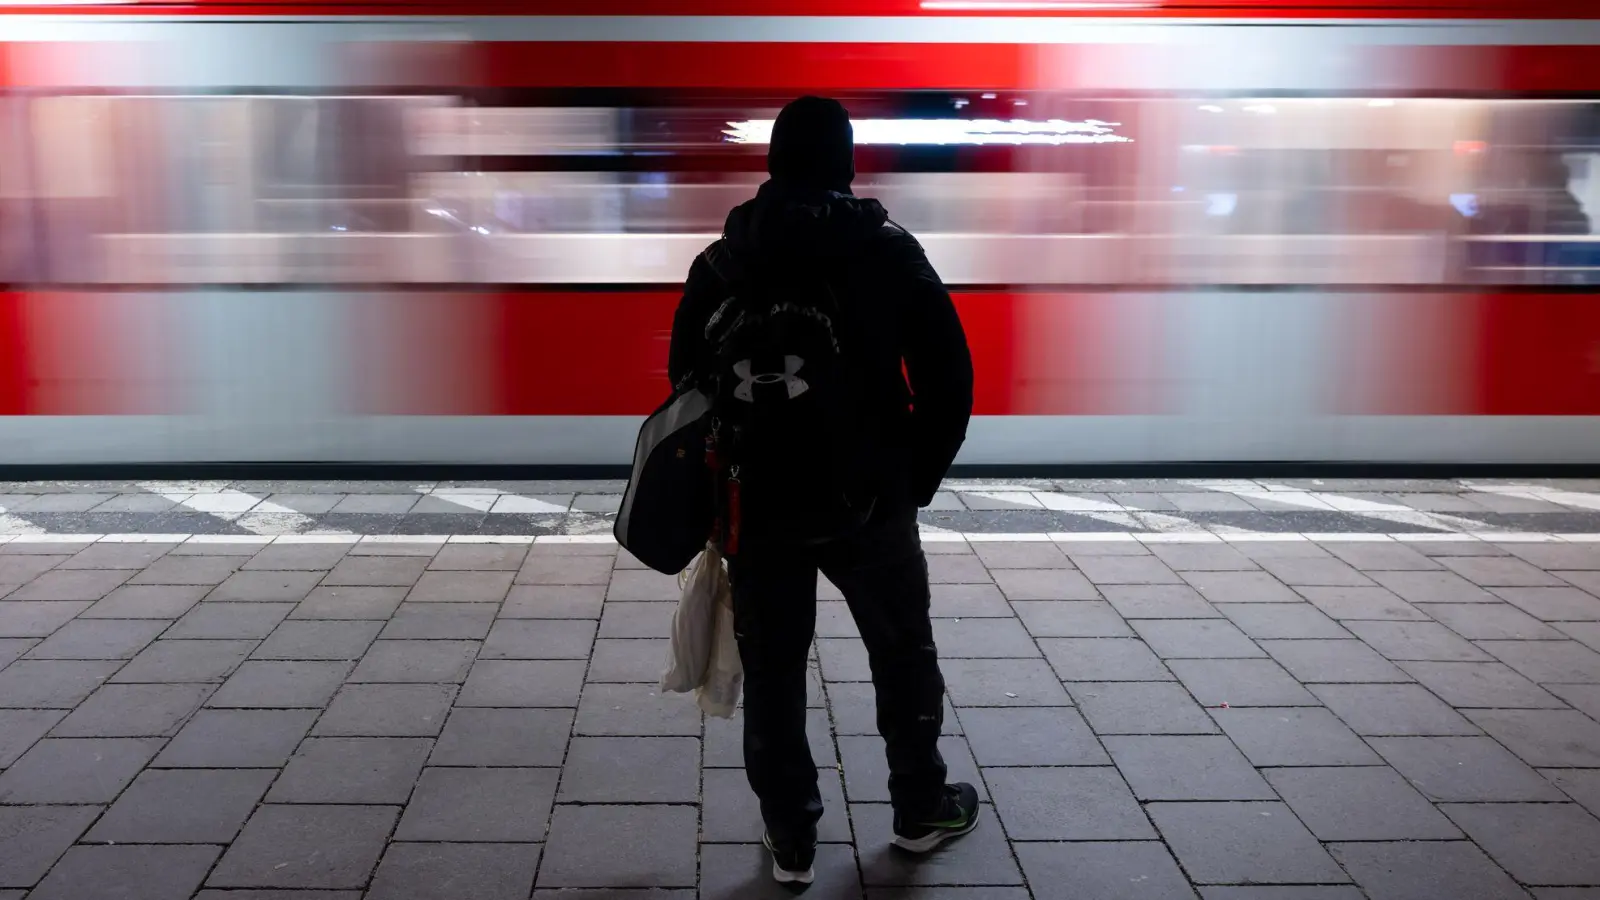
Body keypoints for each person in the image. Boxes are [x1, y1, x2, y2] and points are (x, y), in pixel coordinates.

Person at [667, 96, 977, 885]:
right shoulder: (888, 252)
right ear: (847, 162)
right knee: (901, 650)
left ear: (772, 162)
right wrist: (913, 479)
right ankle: (919, 807)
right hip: (871, 496)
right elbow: (950, 377)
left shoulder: (722, 261)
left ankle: (791, 836)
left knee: (773, 668)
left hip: (757, 501)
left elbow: (685, 383)